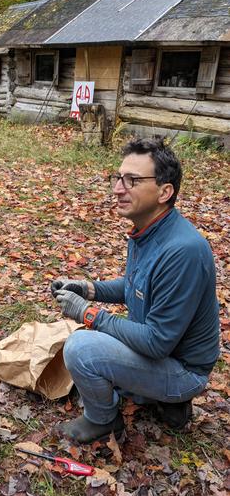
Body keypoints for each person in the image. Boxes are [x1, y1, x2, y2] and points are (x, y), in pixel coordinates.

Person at [51, 137, 220, 444]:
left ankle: (103, 420)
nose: (117, 189)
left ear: (164, 192)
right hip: (160, 354)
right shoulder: (149, 231)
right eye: (118, 178)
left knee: (81, 348)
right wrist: (88, 288)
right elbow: (136, 287)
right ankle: (160, 399)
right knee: (93, 346)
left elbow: (156, 343)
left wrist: (88, 313)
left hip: (183, 369)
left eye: (132, 180)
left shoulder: (183, 250)